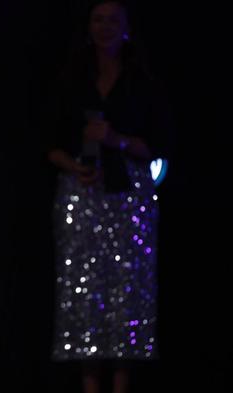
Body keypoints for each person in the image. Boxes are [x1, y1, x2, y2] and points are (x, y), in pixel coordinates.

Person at [45, 1, 172, 392]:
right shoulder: (70, 78)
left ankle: (121, 383)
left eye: (113, 19)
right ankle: (88, 383)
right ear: (87, 26)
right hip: (81, 194)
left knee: (126, 289)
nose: (105, 26)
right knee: (82, 288)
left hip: (129, 197)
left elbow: (160, 144)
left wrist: (116, 140)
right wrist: (74, 163)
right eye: (98, 19)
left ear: (127, 27)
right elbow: (47, 142)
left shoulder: (143, 81)